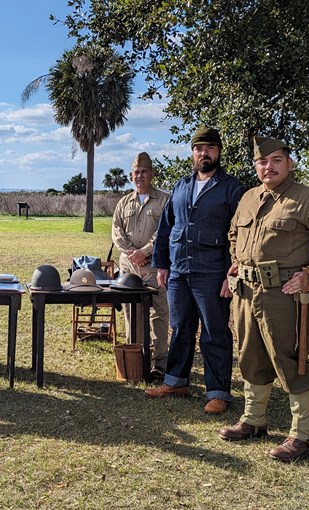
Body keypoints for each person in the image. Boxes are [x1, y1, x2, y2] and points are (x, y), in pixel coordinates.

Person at [220, 136, 309, 461]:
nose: (269, 166)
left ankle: (302, 436)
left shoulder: (306, 199)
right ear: (256, 166)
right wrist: (237, 260)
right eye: (262, 162)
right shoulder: (249, 198)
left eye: (277, 160)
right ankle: (253, 420)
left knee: (293, 360)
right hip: (247, 294)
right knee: (250, 356)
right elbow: (234, 232)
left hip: (284, 296)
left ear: (289, 164)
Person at [145, 126, 245, 415]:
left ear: (219, 152)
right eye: (199, 148)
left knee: (214, 332)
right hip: (179, 270)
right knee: (181, 327)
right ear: (192, 153)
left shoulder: (231, 189)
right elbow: (167, 226)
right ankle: (175, 381)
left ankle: (218, 392)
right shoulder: (182, 185)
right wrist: (162, 263)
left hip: (213, 272)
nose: (205, 153)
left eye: (210, 148)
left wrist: (231, 273)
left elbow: (239, 233)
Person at [112, 152, 170, 378]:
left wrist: (145, 252)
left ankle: (159, 363)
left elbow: (165, 231)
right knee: (131, 312)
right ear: (131, 176)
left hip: (155, 266)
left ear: (152, 175)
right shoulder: (123, 202)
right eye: (136, 172)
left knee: (159, 313)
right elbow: (117, 232)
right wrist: (131, 253)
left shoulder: (164, 200)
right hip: (129, 269)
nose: (140, 176)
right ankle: (135, 359)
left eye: (144, 172)